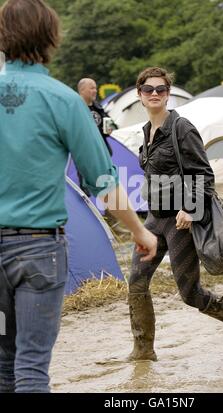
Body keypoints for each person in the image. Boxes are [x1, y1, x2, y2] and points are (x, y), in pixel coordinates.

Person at [0, 0, 156, 393]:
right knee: (31, 365)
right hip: (38, 253)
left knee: (2, 362)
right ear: (52, 37)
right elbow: (103, 179)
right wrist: (139, 232)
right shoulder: (64, 100)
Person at [127, 66, 223, 363]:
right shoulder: (146, 132)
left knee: (191, 293)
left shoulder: (182, 128)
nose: (155, 94)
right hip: (153, 219)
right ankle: (143, 349)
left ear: (168, 94)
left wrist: (190, 209)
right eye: (149, 90)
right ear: (140, 95)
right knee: (136, 281)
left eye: (161, 89)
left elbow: (205, 175)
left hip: (180, 222)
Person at [77, 77, 129, 235]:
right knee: (84, 190)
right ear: (82, 90)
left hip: (101, 153)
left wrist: (111, 128)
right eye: (91, 88)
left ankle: (113, 225)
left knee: (108, 185)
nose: (94, 91)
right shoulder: (76, 108)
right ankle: (85, 226)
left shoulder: (97, 107)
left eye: (95, 88)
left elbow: (110, 123)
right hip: (85, 155)